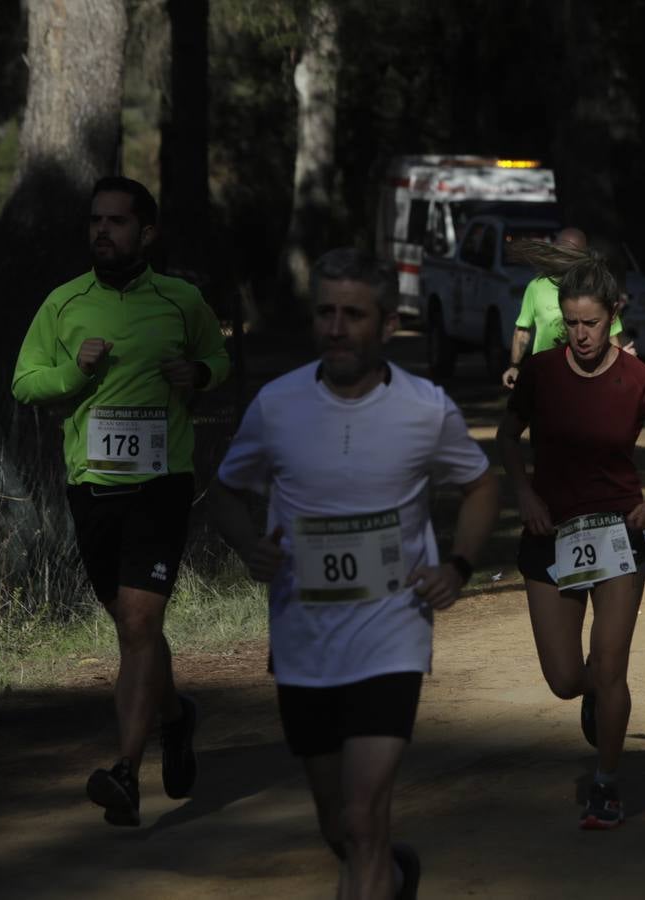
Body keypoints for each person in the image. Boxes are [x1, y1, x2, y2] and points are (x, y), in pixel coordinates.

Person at [209, 248, 498, 898]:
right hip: (304, 643)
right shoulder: (277, 405)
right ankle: (394, 877)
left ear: (388, 325)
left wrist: (458, 564)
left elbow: (481, 486)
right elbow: (226, 491)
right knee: (340, 825)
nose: (336, 328)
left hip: (390, 636)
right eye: (326, 313)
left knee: (365, 817)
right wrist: (248, 546)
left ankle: (376, 871)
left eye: (353, 315)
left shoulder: (427, 409)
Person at [12, 176, 230, 827]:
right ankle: (175, 715)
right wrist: (74, 372)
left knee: (138, 627)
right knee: (133, 629)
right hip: (91, 488)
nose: (103, 231)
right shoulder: (63, 303)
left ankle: (126, 773)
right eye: (95, 222)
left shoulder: (181, 300)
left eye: (116, 221)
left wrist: (201, 375)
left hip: (160, 486)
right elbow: (25, 384)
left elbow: (215, 358)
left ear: (147, 232)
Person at [496, 241, 645, 829]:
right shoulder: (541, 374)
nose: (580, 335)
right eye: (570, 324)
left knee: (612, 664)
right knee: (567, 678)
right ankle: (595, 696)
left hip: (618, 536)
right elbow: (505, 438)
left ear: (613, 316)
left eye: (590, 323)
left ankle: (606, 783)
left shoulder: (639, 378)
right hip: (550, 535)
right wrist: (524, 492)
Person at [501, 227, 632, 389]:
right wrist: (514, 366)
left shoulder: (596, 288)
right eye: (561, 254)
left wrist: (620, 370)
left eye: (570, 255)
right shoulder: (536, 287)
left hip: (585, 378)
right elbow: (522, 331)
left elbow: (612, 336)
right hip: (545, 378)